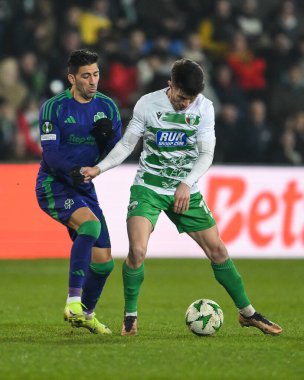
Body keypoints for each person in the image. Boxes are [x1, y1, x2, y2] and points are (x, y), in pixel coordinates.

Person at [80, 58, 283, 336]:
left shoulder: (205, 108)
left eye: (191, 99)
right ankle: (130, 317)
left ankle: (248, 314)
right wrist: (99, 168)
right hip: (149, 188)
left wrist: (187, 183)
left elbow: (206, 154)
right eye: (181, 96)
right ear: (170, 85)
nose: (185, 103)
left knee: (218, 251)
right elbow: (127, 144)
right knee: (137, 252)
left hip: (185, 190)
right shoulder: (148, 104)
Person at [35, 49, 122, 334]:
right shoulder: (54, 107)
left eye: (96, 74)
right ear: (72, 78)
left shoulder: (108, 107)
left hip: (84, 185)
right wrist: (73, 171)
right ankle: (73, 301)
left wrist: (109, 140)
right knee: (89, 225)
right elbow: (50, 154)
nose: (93, 81)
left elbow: (116, 153)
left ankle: (85, 312)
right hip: (54, 184)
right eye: (86, 76)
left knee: (105, 262)